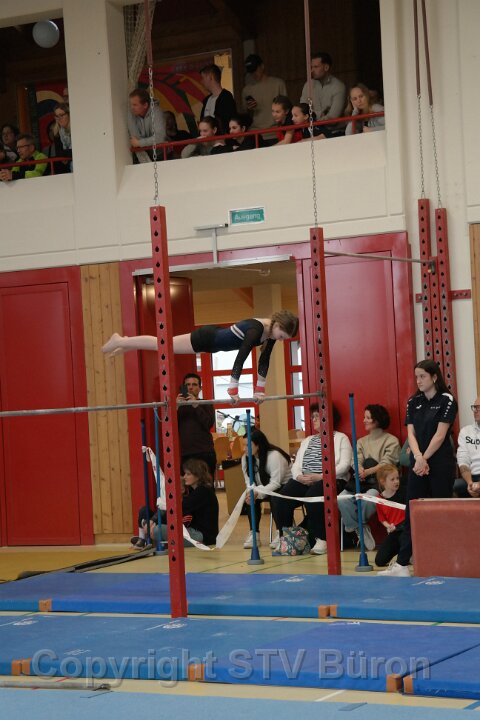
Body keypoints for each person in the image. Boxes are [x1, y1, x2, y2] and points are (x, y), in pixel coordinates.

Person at [102, 311, 299, 404]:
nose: (280, 340)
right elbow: (242, 356)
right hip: (205, 338)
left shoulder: (270, 333)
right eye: (282, 336)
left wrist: (260, 391)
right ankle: (120, 340)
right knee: (161, 345)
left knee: (161, 345)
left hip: (212, 343)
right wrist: (232, 388)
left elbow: (264, 360)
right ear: (277, 325)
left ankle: (126, 343)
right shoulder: (257, 329)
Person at [379, 360, 458, 577]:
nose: (419, 381)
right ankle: (402, 564)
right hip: (418, 464)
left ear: (434, 377)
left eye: (423, 376)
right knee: (411, 511)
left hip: (440, 463)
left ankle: (444, 560)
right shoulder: (413, 402)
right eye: (416, 377)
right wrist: (419, 458)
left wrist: (425, 458)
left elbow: (440, 435)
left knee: (440, 512)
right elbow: (411, 434)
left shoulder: (447, 400)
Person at [270, 403, 352, 554]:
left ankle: (321, 539)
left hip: (330, 479)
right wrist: (299, 477)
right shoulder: (307, 440)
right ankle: (286, 538)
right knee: (280, 498)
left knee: (313, 495)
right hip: (305, 479)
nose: (313, 419)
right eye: (312, 416)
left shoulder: (341, 438)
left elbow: (344, 465)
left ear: (328, 418)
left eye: (317, 416)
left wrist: (321, 476)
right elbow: (296, 464)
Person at [338, 404, 400, 551]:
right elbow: (356, 459)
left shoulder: (391, 440)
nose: (364, 420)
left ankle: (356, 525)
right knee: (341, 498)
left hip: (380, 483)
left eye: (367, 417)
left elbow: (387, 463)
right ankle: (360, 527)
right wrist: (359, 469)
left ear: (377, 420)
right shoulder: (361, 441)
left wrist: (367, 471)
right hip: (360, 481)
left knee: (370, 498)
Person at [241, 429, 292, 548]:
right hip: (263, 487)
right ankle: (254, 533)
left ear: (258, 445)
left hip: (284, 487)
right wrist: (252, 492)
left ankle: (280, 532)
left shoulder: (274, 456)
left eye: (248, 445)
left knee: (275, 497)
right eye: (243, 445)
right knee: (250, 497)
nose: (244, 449)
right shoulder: (245, 458)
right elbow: (248, 482)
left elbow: (276, 483)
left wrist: (258, 492)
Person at [151, 458, 219, 547]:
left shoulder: (203, 491)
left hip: (202, 536)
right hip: (194, 531)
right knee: (151, 518)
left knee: (158, 530)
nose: (184, 477)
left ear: (198, 476)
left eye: (188, 474)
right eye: (185, 473)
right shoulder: (196, 490)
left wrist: (156, 523)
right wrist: (154, 520)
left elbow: (179, 509)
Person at [177, 372, 216, 478]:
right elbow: (170, 427)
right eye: (187, 385)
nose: (190, 387)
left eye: (194, 385)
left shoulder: (206, 403)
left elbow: (209, 424)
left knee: (207, 485)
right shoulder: (179, 406)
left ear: (200, 388)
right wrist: (175, 407)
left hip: (205, 452)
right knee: (187, 486)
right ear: (183, 388)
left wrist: (196, 405)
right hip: (186, 454)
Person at [300, 52, 346, 131]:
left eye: (316, 67)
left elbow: (333, 118)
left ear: (326, 67)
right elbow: (302, 111)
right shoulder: (308, 85)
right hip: (312, 131)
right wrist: (322, 115)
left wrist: (313, 118)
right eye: (311, 67)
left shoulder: (338, 86)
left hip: (334, 132)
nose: (312, 70)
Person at [241, 54, 287, 130]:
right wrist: (249, 109)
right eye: (251, 71)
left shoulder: (278, 84)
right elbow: (246, 117)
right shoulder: (246, 90)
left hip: (275, 129)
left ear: (262, 66)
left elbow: (286, 109)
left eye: (255, 70)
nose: (254, 74)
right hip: (255, 131)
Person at [374, 464, 406, 567]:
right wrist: (389, 526)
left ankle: (406, 554)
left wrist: (398, 526)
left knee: (403, 557)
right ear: (383, 482)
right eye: (392, 479)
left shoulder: (404, 493)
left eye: (397, 478)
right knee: (379, 561)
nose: (396, 481)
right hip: (394, 532)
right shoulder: (379, 499)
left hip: (406, 530)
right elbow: (382, 518)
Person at [127, 88, 166, 161]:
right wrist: (139, 143)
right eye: (131, 105)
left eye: (135, 105)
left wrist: (140, 143)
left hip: (161, 154)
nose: (132, 108)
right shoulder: (131, 113)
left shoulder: (156, 112)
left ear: (145, 105)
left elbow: (160, 137)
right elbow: (135, 138)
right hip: (143, 155)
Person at [199, 64, 237, 134]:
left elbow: (229, 122)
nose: (202, 81)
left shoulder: (226, 97)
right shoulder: (206, 100)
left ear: (210, 77)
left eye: (203, 78)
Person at [454, 398, 480, 498]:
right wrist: (470, 483)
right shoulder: (465, 431)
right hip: (471, 477)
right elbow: (463, 460)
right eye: (475, 407)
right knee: (451, 486)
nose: (476, 411)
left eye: (479, 408)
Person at [50, 103, 73, 173]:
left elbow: (77, 151)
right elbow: (59, 153)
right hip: (66, 166)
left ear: (69, 115)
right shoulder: (57, 132)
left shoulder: (75, 129)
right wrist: (67, 153)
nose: (59, 119)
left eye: (62, 115)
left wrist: (66, 154)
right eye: (57, 116)